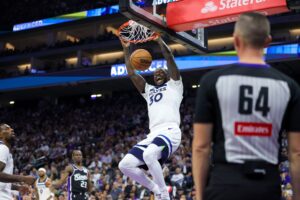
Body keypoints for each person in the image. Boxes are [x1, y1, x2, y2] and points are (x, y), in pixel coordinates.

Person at [192, 12, 300, 200]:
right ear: (267, 41)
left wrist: (200, 196)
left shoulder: (212, 81)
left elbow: (201, 147)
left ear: (236, 40)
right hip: (267, 187)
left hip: (224, 185)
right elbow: (296, 152)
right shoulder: (289, 86)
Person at [118, 36, 183, 200]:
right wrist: (127, 50)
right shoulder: (148, 90)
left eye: (162, 72)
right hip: (153, 134)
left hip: (170, 131)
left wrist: (159, 40)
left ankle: (163, 193)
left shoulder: (175, 85)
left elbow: (169, 57)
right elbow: (132, 73)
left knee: (149, 155)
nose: (158, 73)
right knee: (125, 165)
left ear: (169, 75)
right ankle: (155, 188)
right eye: (155, 73)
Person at [0, 123, 36, 200]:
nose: (11, 129)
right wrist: (23, 178)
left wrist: (17, 187)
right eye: (7, 129)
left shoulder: (4, 149)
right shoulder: (3, 148)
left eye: (10, 128)